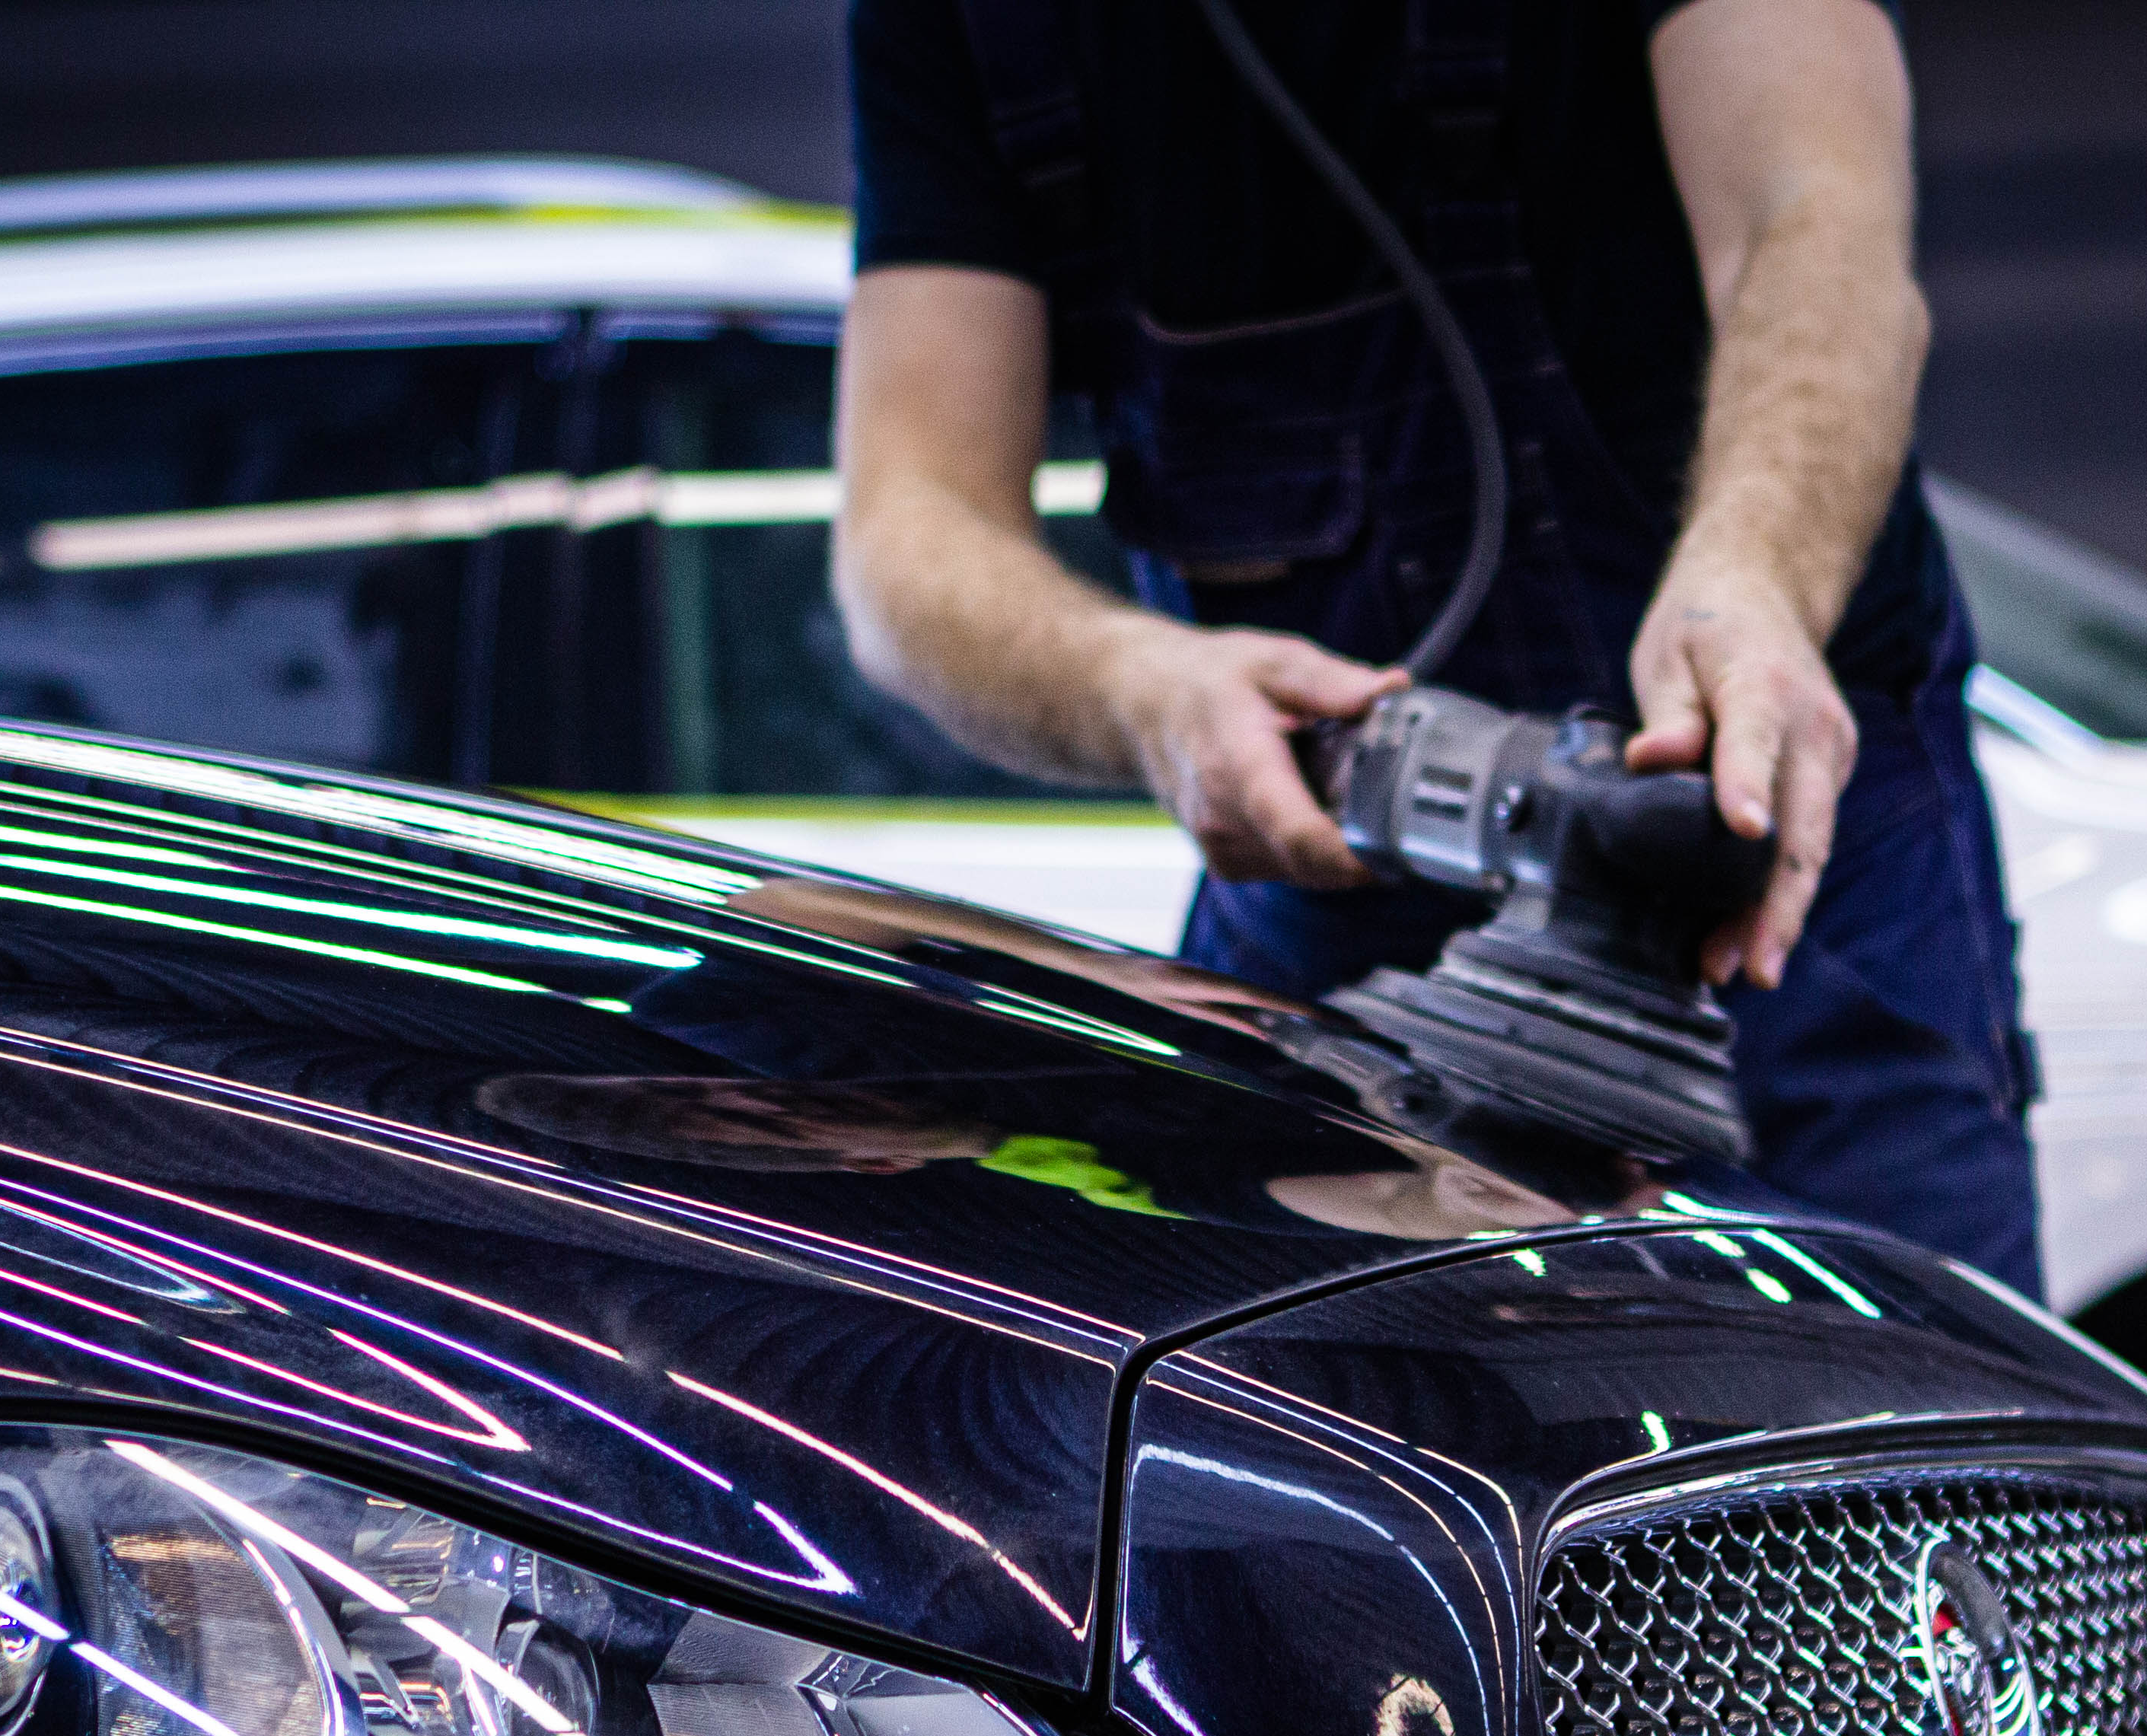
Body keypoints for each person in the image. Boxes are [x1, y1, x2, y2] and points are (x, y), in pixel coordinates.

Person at [833, 0, 2041, 1292]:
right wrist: (1142, 691)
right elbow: (908, 522)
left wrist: (1756, 571)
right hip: (1329, 910)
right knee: (1303, 1403)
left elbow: (1815, 220)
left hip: (1788, 864)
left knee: (1914, 1392)